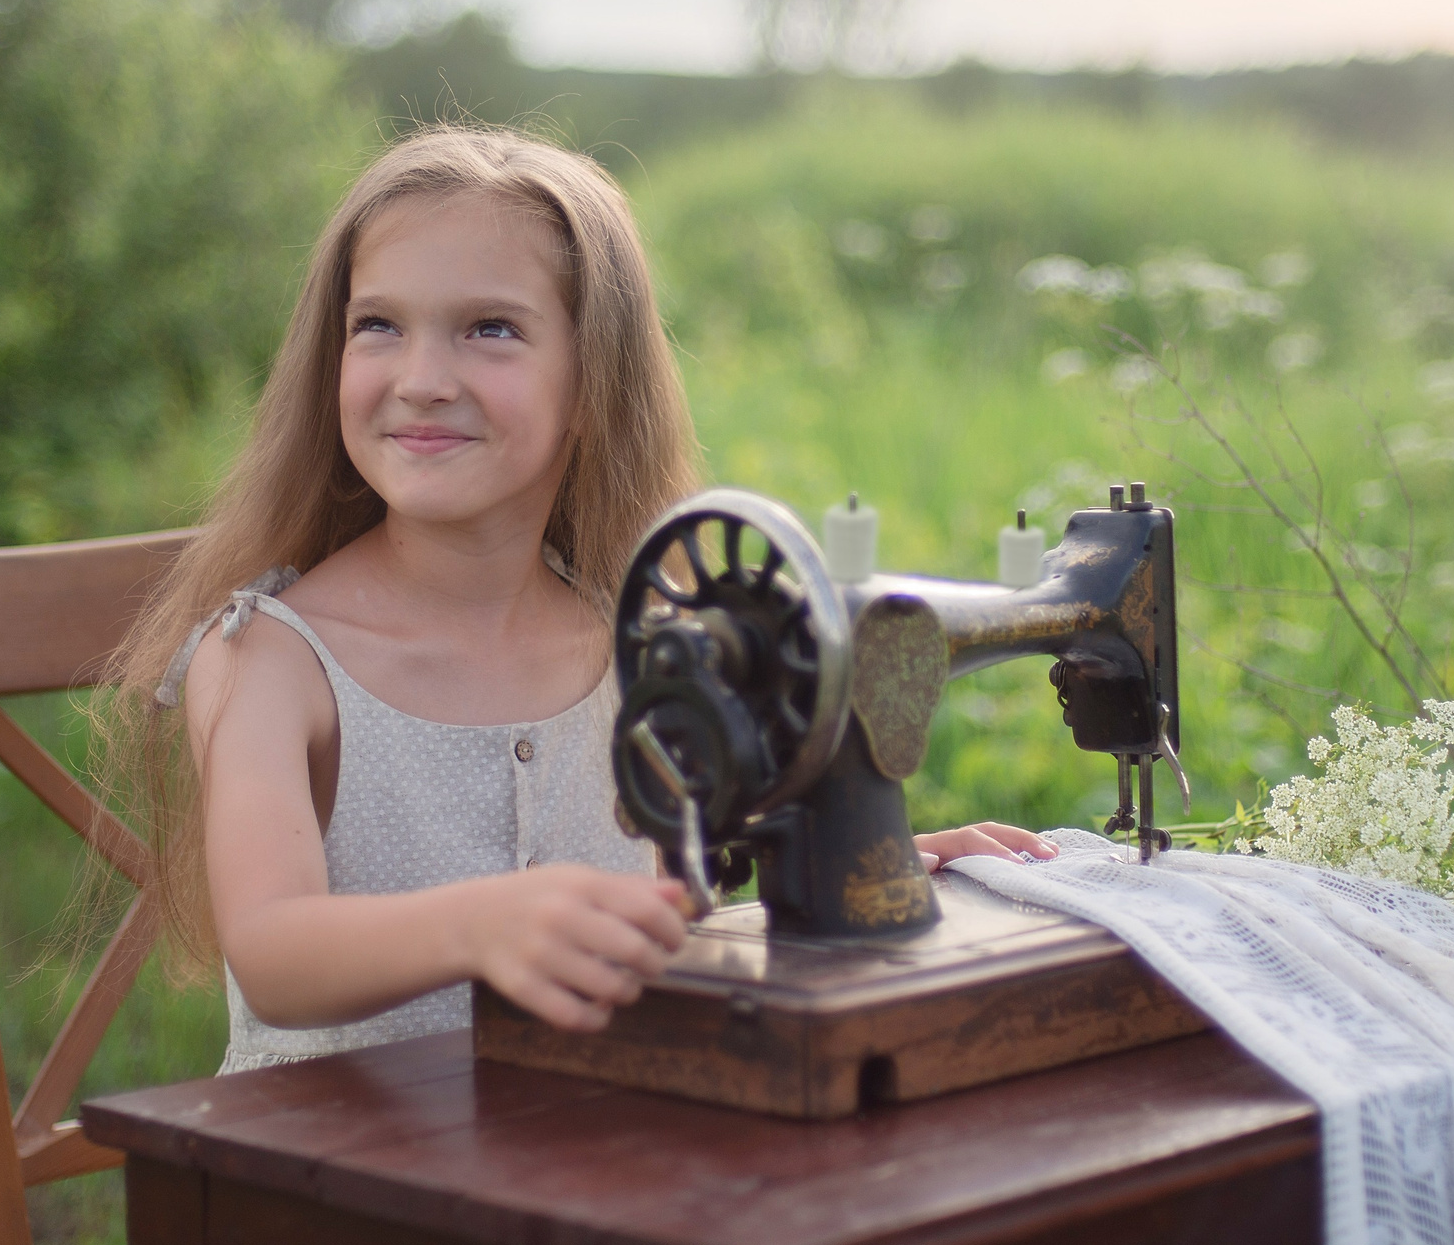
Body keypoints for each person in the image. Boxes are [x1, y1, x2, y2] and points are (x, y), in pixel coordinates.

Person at [100, 126, 1051, 1074]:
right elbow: (274, 954)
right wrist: (480, 923)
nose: (423, 380)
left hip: (580, 1164)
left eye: (490, 329)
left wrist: (855, 863)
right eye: (378, 324)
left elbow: (664, 923)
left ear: (595, 383)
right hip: (332, 1186)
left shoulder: (637, 645)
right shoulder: (269, 659)